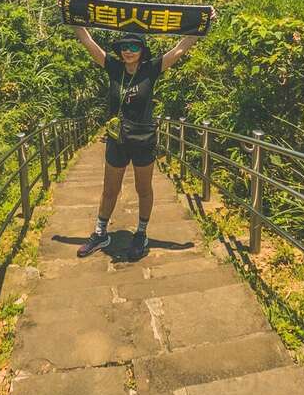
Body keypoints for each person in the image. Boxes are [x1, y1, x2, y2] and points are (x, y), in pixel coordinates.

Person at [69, 14, 213, 258]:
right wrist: (72, 16)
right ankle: (101, 232)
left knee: (143, 188)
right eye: (125, 47)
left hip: (144, 140)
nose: (128, 51)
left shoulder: (150, 69)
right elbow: (89, 42)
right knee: (109, 189)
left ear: (142, 50)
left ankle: (141, 233)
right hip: (117, 140)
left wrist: (203, 24)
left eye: (134, 46)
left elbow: (179, 49)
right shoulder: (114, 68)